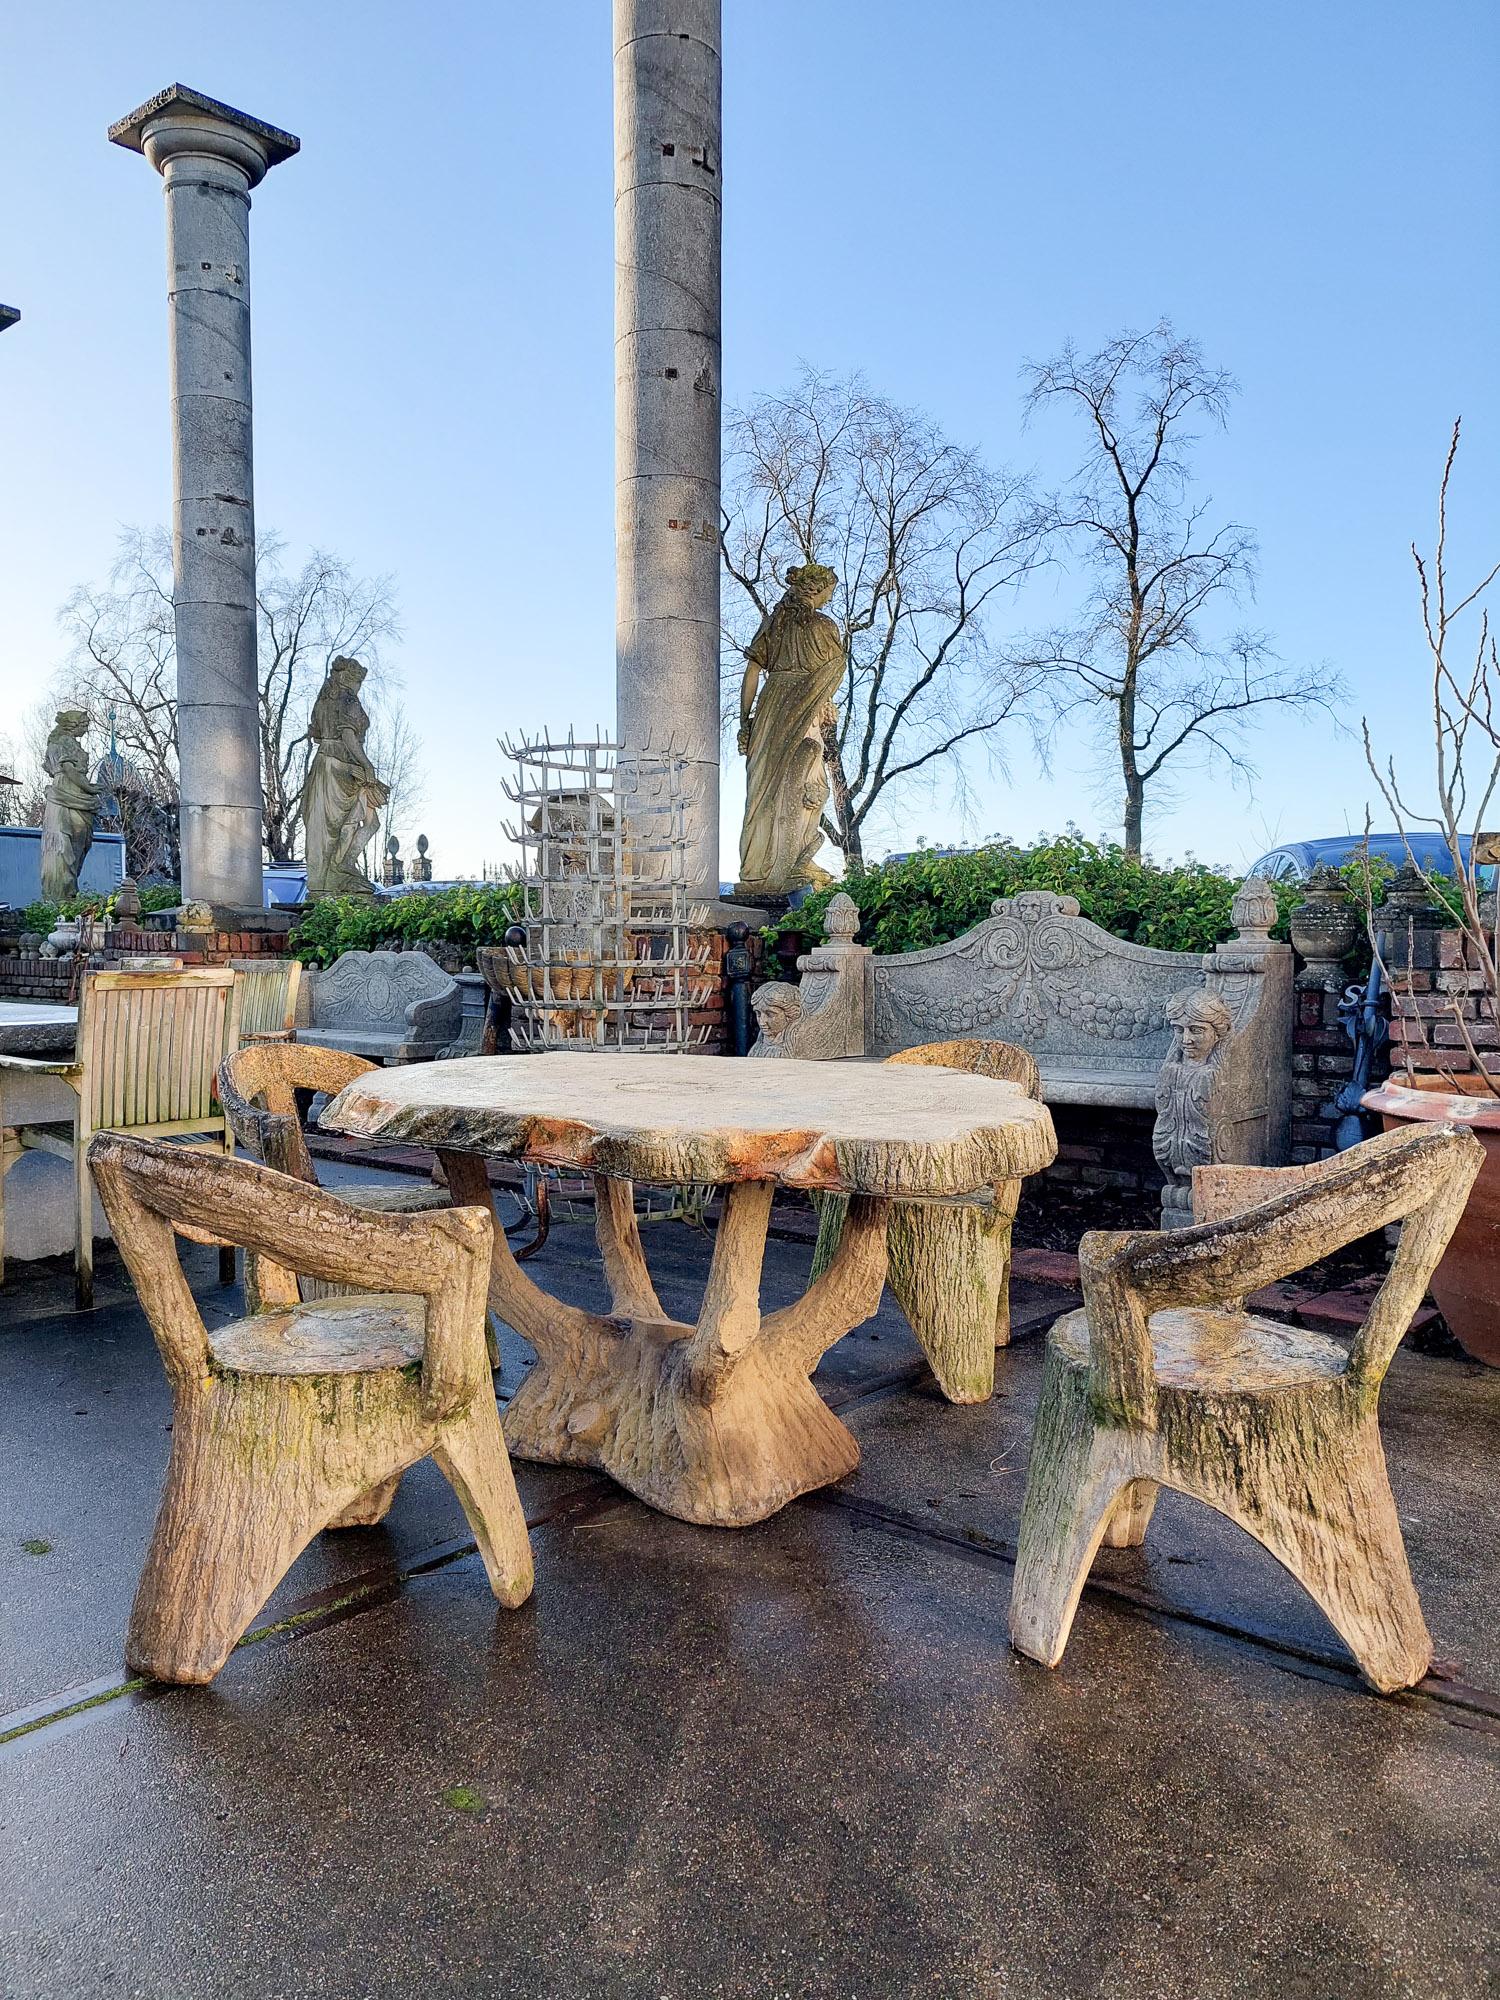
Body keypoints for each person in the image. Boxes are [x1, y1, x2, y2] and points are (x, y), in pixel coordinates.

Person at [735, 563, 844, 900]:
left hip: (770, 705)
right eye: (829, 591)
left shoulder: (774, 623)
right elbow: (832, 673)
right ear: (818, 590)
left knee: (762, 790)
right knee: (805, 785)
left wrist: (746, 720)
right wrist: (824, 701)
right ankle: (789, 864)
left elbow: (752, 671)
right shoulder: (825, 627)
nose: (830, 597)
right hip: (803, 704)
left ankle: (758, 871)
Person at [304, 658, 389, 901]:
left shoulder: (323, 700)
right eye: (358, 681)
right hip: (345, 767)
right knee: (363, 822)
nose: (359, 686)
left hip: (323, 765)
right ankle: (343, 866)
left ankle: (333, 871)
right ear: (348, 678)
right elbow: (349, 736)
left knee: (328, 825)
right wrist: (366, 765)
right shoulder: (348, 699)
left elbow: (316, 735)